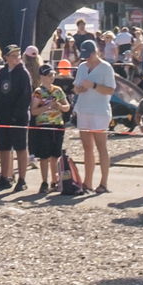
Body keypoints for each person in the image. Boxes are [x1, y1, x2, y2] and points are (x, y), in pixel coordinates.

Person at [71, 38, 115, 194]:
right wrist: (78, 89)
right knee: (87, 147)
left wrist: (94, 86)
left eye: (89, 55)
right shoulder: (82, 66)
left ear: (96, 52)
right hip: (84, 109)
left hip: (99, 110)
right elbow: (76, 87)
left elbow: (110, 90)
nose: (87, 58)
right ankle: (87, 182)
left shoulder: (106, 68)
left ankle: (103, 183)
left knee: (101, 146)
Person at [0, 43, 33, 193]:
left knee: (21, 147)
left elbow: (25, 96)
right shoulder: (2, 73)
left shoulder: (23, 73)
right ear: (6, 58)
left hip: (18, 117)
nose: (16, 58)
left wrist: (17, 114)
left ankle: (22, 179)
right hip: (3, 116)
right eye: (13, 55)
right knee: (4, 147)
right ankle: (5, 177)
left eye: (18, 55)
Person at [28, 67, 69, 194]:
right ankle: (44, 181)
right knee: (44, 156)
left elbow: (67, 107)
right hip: (43, 125)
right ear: (42, 77)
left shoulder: (58, 90)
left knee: (55, 155)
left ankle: (55, 180)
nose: (51, 77)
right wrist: (46, 107)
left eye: (52, 74)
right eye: (48, 75)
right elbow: (34, 111)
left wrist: (60, 106)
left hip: (57, 124)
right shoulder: (38, 92)